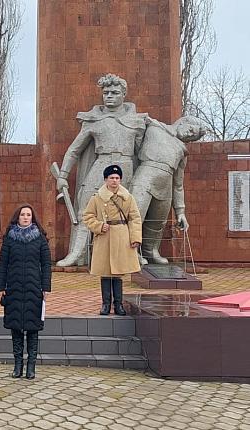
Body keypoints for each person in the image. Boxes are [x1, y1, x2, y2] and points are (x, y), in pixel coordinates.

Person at [55, 74, 147, 267]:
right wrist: (63, 175)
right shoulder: (93, 120)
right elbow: (74, 150)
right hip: (101, 165)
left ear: (124, 95)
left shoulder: (137, 121)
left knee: (127, 211)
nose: (109, 96)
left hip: (126, 167)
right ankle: (76, 253)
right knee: (85, 207)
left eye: (114, 93)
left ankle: (133, 253)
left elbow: (143, 154)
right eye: (106, 93)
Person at [130, 116, 206, 264]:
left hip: (165, 188)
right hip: (144, 178)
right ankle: (131, 251)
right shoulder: (154, 126)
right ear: (183, 122)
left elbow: (178, 185)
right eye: (191, 130)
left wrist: (180, 212)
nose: (190, 135)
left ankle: (150, 251)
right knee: (135, 216)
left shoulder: (182, 151)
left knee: (157, 222)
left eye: (193, 137)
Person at [0, 204, 51, 379]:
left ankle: (31, 367)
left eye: (28, 215)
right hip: (14, 287)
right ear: (17, 217)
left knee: (33, 329)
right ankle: (17, 365)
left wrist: (46, 287)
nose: (25, 217)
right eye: (22, 215)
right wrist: (0, 286)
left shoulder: (40, 238)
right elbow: (2, 263)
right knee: (16, 328)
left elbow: (47, 265)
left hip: (34, 288)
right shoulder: (10, 238)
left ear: (32, 218)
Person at [83, 166, 141, 316]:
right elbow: (88, 216)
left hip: (122, 236)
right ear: (105, 180)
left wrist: (135, 238)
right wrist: (99, 226)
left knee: (118, 272)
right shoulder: (96, 198)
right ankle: (105, 304)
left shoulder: (128, 197)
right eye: (111, 178)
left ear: (120, 180)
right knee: (105, 272)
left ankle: (119, 304)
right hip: (104, 237)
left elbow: (135, 218)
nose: (114, 181)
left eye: (117, 178)